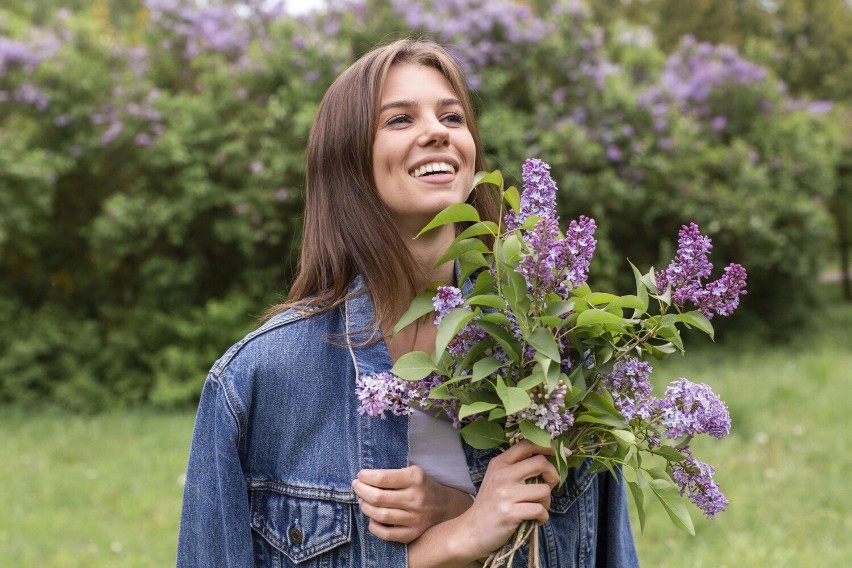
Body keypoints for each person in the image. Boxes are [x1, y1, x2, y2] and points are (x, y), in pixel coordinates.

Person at [177, 38, 639, 567]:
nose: (438, 131)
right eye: (399, 119)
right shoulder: (255, 382)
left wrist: (452, 505)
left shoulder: (558, 356)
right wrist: (456, 536)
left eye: (453, 116)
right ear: (348, 160)